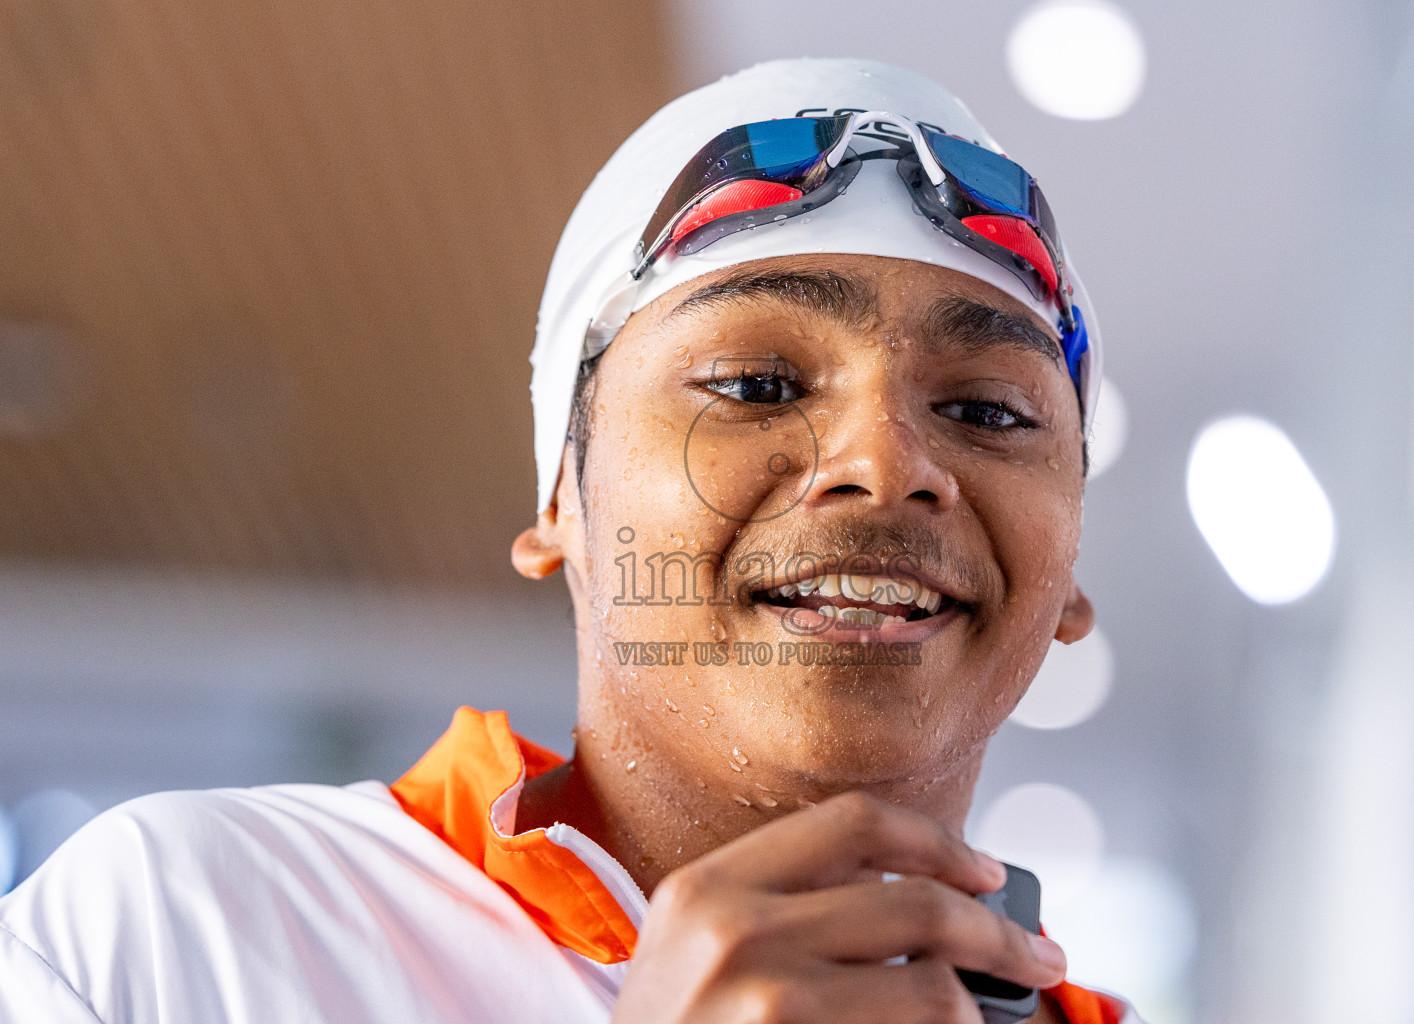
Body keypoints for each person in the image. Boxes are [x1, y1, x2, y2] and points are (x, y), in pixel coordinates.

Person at [0, 60, 1140, 1023]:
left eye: (989, 412)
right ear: (564, 503)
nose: (887, 465)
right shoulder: (184, 932)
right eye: (756, 383)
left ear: (1073, 570)